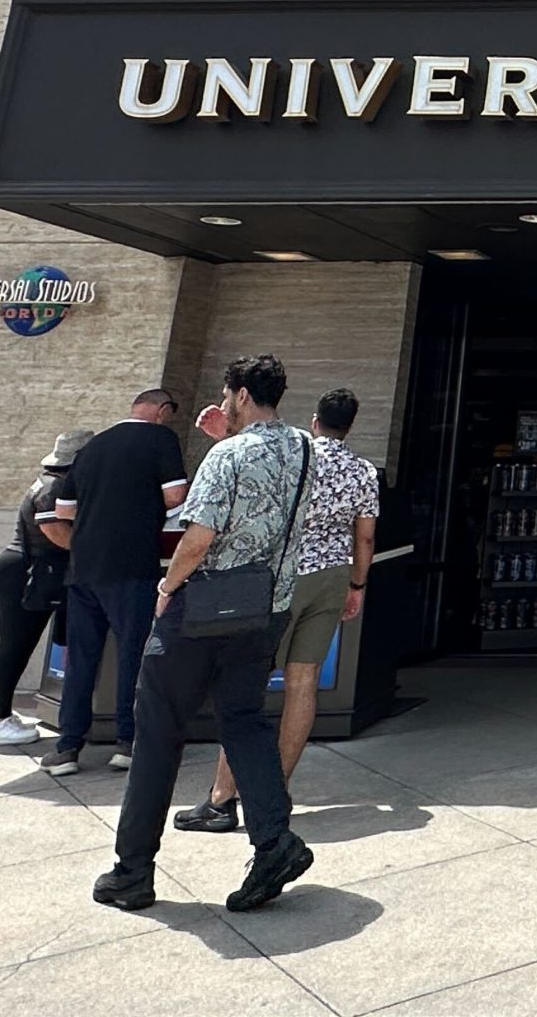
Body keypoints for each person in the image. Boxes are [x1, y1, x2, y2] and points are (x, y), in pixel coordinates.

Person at [96, 355, 317, 915]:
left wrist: (168, 586)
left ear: (240, 394)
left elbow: (198, 537)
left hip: (205, 607)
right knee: (243, 720)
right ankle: (273, 841)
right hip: (268, 606)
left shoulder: (229, 453)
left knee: (159, 729)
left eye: (226, 394)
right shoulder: (304, 449)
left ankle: (133, 871)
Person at [174, 388, 382, 834]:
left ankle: (222, 798)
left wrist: (223, 437)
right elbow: (364, 537)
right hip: (332, 576)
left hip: (282, 575)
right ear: (349, 425)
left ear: (314, 420)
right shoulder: (363, 470)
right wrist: (357, 585)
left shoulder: (297, 449)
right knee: (303, 682)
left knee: (245, 683)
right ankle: (274, 792)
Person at [38, 389, 186, 776]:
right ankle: (128, 742)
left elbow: (64, 510)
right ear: (162, 410)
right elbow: (175, 496)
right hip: (132, 566)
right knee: (133, 655)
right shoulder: (161, 439)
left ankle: (68, 747)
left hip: (84, 569)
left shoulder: (91, 448)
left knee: (81, 659)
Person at [0, 428, 89, 747]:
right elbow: (54, 529)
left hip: (20, 568)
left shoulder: (48, 481)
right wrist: (90, 552)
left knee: (12, 645)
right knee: (15, 646)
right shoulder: (55, 487)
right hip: (30, 571)